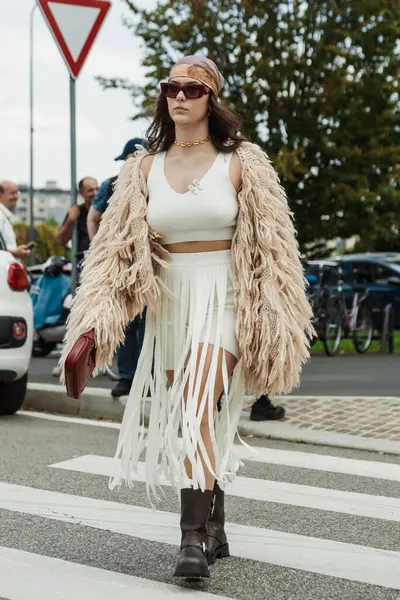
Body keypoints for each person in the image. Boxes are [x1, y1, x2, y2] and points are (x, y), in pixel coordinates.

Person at [61, 56, 313, 580]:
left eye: (192, 89)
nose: (180, 96)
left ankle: (191, 542)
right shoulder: (143, 168)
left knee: (199, 403)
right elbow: (114, 258)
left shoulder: (242, 161)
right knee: (193, 417)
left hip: (224, 295)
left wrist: (274, 318)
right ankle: (216, 524)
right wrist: (91, 325)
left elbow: (275, 253)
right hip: (170, 305)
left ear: (211, 98)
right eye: (171, 87)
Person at [87, 138, 147, 398]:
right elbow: (93, 216)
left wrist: (97, 248)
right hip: (128, 259)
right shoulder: (148, 179)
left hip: (138, 258)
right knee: (134, 320)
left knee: (137, 321)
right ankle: (135, 377)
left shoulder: (114, 183)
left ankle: (133, 377)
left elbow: (93, 216)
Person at [56, 177, 98, 254]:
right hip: (82, 262)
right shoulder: (76, 212)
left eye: (97, 189)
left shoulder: (106, 211)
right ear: (81, 193)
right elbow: (61, 241)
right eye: (90, 190)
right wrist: (70, 221)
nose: (95, 193)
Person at [0, 181, 31, 260]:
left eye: (17, 193)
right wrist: (15, 253)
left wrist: (16, 252)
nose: (16, 196)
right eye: (12, 193)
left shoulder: (4, 216)